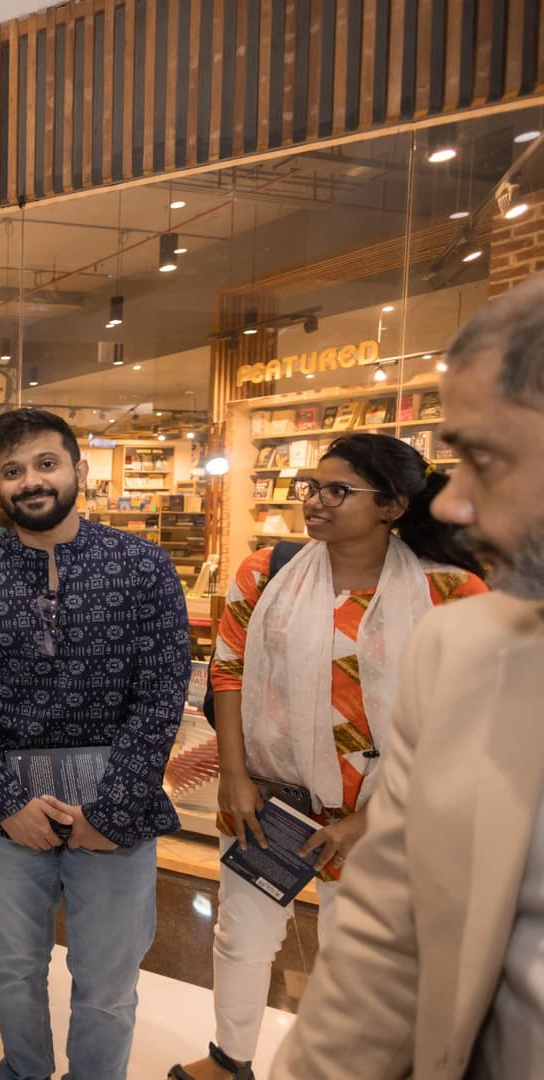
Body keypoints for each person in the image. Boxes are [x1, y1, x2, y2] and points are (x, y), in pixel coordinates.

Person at [271, 279, 544, 1080]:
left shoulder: (448, 603)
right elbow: (385, 944)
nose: (452, 506)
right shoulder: (467, 650)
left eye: (484, 459)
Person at [170, 434, 485, 1080]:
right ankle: (229, 1060)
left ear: (392, 506)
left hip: (387, 810)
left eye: (337, 491)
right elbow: (227, 672)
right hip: (270, 799)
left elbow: (467, 722)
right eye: (311, 487)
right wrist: (234, 777)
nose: (313, 501)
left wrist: (368, 820)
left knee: (360, 958)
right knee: (242, 935)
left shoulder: (451, 592)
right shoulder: (267, 572)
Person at [0, 407, 191, 1080]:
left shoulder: (142, 565)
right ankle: (23, 1071)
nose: (31, 481)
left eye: (46, 464)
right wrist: (5, 802)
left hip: (115, 800)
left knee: (107, 982)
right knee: (16, 969)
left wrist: (112, 811)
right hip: (9, 807)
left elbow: (161, 694)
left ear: (78, 469)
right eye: (13, 470)